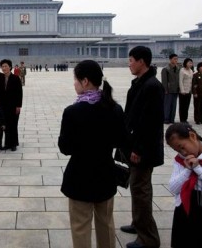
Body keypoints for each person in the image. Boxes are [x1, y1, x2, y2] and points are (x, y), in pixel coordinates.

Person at [58, 60, 126, 248]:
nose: (74, 83)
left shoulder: (72, 112)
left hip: (80, 175)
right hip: (105, 173)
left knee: (80, 225)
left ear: (85, 81)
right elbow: (121, 141)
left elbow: (65, 148)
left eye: (76, 80)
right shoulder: (115, 108)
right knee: (106, 222)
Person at [120, 46, 164, 248]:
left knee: (141, 190)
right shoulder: (140, 83)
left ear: (141, 61)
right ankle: (138, 224)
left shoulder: (152, 86)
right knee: (137, 188)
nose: (129, 63)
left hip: (143, 150)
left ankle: (149, 238)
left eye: (131, 60)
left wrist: (138, 149)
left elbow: (150, 123)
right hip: (135, 145)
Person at [0, 59, 23, 151]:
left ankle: (13, 143)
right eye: (3, 66)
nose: (4, 68)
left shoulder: (15, 78)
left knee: (13, 124)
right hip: (3, 105)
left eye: (6, 66)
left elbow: (19, 93)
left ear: (10, 67)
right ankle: (7, 144)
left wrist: (18, 106)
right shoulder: (0, 78)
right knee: (5, 125)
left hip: (13, 106)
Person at [161, 53, 180, 124]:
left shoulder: (178, 68)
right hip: (168, 90)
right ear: (170, 59)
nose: (176, 60)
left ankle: (172, 119)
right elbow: (164, 81)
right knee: (167, 105)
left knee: (174, 105)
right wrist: (165, 89)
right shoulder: (166, 69)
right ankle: (166, 119)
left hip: (175, 89)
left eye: (177, 59)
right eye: (174, 59)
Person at [178, 58, 193, 123]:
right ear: (185, 63)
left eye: (191, 63)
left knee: (187, 106)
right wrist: (182, 90)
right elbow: (180, 81)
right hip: (183, 91)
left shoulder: (191, 70)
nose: (190, 64)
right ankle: (182, 119)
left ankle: (185, 119)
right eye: (189, 63)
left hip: (189, 91)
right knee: (182, 106)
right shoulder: (182, 70)